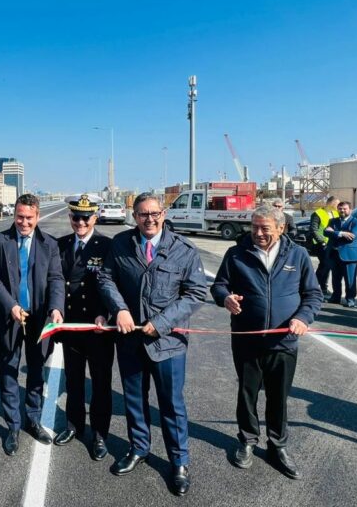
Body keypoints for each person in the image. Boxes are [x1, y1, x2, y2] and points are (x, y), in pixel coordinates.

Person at [97, 193, 206, 496]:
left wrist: (160, 323)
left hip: (168, 343)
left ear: (164, 213)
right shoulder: (121, 244)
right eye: (143, 214)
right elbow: (106, 279)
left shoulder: (183, 250)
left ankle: (179, 462)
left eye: (155, 213)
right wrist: (119, 309)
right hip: (130, 340)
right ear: (134, 215)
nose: (150, 219)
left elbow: (195, 293)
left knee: (171, 404)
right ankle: (139, 448)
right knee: (134, 400)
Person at [211, 206, 322, 480]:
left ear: (281, 228)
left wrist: (303, 319)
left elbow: (313, 295)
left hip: (284, 341)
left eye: (265, 229)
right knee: (247, 394)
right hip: (247, 339)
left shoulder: (298, 255)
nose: (258, 233)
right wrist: (225, 298)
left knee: (278, 397)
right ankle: (248, 440)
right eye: (254, 227)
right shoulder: (237, 253)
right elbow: (218, 285)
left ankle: (277, 446)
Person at [0, 193, 65, 456]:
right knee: (8, 372)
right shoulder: (0, 241)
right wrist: (11, 306)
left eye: (29, 217)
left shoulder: (49, 244)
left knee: (35, 371)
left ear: (37, 216)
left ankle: (33, 418)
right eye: (20, 216)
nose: (24, 222)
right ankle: (12, 426)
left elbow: (56, 279)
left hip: (38, 319)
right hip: (9, 317)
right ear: (14, 214)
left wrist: (56, 307)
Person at [54, 194, 113, 461]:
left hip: (98, 328)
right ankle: (74, 426)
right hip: (71, 326)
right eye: (75, 217)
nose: (80, 222)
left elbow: (113, 286)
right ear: (70, 217)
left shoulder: (107, 246)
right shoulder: (61, 244)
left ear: (95, 218)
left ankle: (100, 434)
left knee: (101, 384)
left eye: (85, 217)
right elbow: (55, 281)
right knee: (74, 380)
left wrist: (105, 314)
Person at [324, 201, 357, 308]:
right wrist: (342, 233)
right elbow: (325, 232)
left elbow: (352, 236)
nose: (342, 211)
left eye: (344, 209)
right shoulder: (333, 221)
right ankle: (335, 297)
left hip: (349, 255)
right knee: (336, 278)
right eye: (340, 209)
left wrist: (334, 232)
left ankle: (350, 299)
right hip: (334, 254)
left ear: (350, 209)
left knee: (350, 279)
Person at [310, 195, 340, 297]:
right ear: (331, 203)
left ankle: (321, 287)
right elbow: (314, 229)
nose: (338, 206)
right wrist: (321, 241)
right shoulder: (318, 213)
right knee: (325, 265)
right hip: (321, 245)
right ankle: (317, 287)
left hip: (332, 244)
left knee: (326, 266)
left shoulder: (336, 213)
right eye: (337, 204)